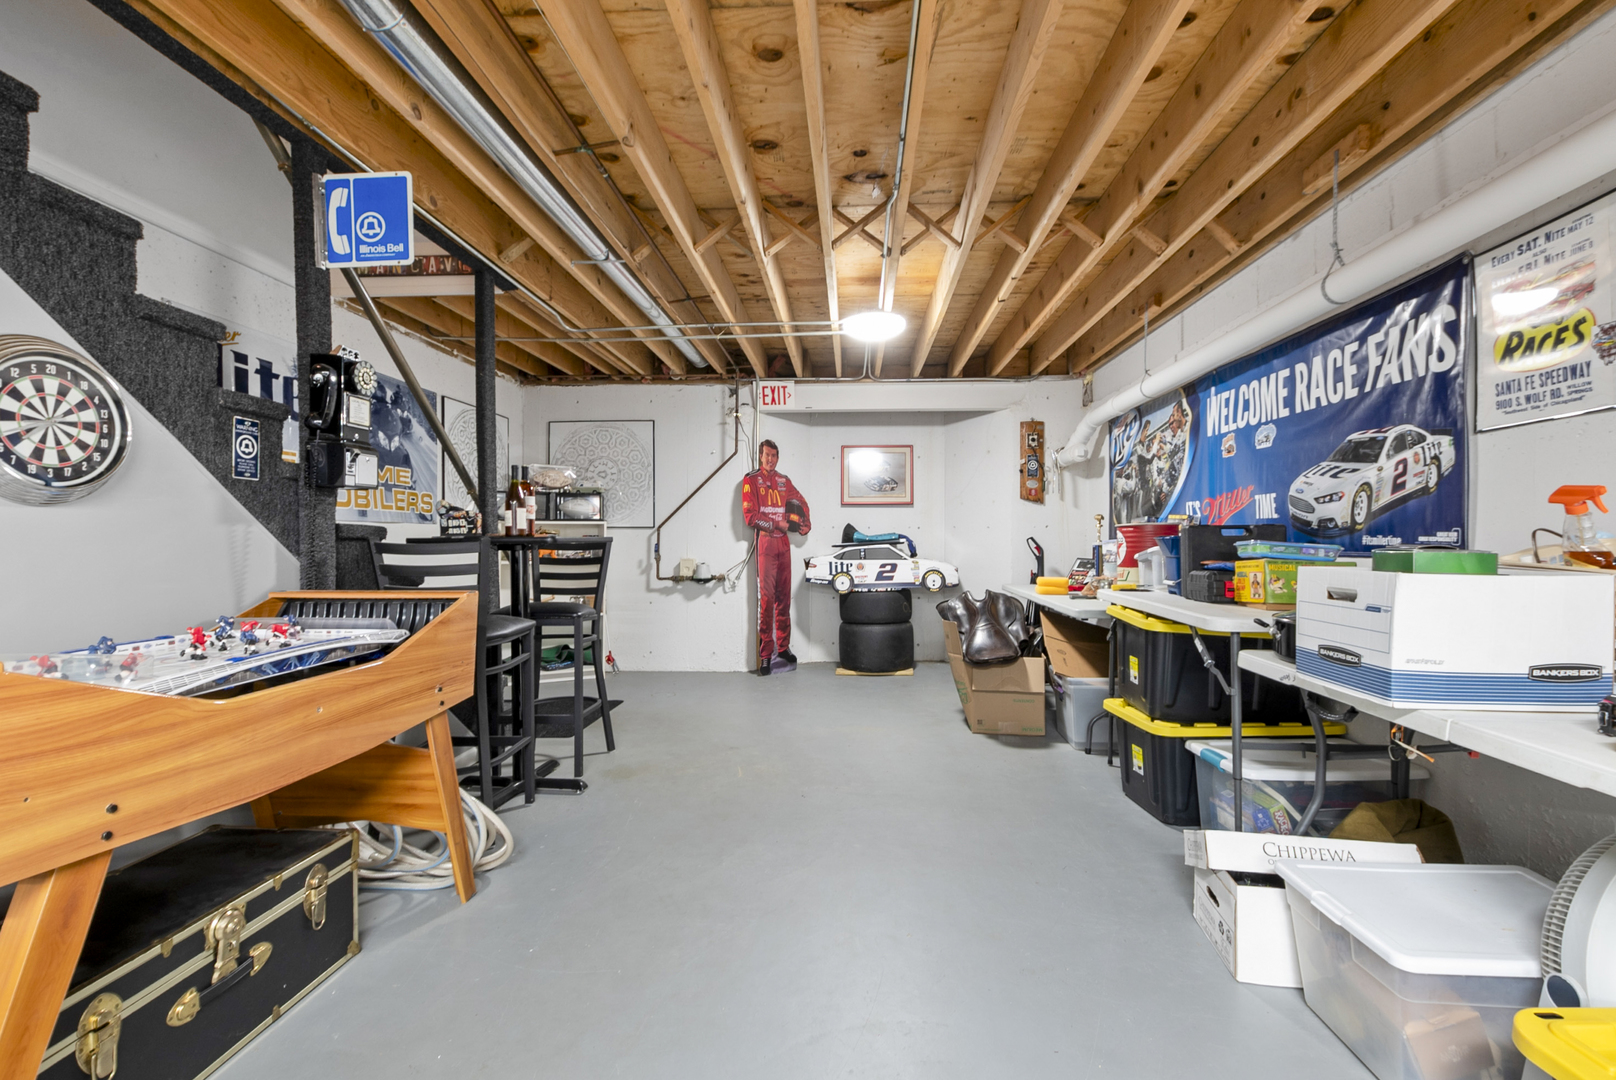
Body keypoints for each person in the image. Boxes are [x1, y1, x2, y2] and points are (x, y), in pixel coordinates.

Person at [741, 439, 811, 675]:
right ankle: (765, 655)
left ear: (778, 458)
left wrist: (804, 523)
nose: (770, 459)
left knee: (784, 599)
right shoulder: (750, 480)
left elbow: (800, 502)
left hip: (784, 543)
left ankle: (783, 647)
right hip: (766, 542)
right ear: (760, 457)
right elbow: (750, 516)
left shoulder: (784, 480)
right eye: (766, 455)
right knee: (767, 600)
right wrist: (775, 523)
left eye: (774, 456)